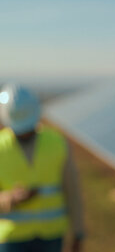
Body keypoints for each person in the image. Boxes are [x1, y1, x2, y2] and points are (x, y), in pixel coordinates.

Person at [0, 83, 85, 252]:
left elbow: (72, 190)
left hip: (51, 236)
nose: (25, 133)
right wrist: (11, 199)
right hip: (12, 238)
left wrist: (78, 232)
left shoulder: (57, 143)